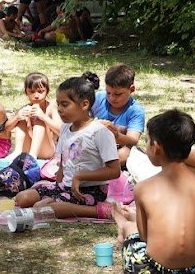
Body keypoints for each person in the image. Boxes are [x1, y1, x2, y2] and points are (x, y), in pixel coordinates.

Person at [113, 110, 195, 274]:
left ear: (156, 147)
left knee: (131, 230)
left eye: (147, 142)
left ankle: (124, 223)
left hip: (156, 271)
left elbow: (145, 237)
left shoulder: (144, 188)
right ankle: (129, 218)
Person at [13, 72, 119, 219]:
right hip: (66, 187)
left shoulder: (99, 132)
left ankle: (99, 210)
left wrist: (80, 177)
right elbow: (63, 161)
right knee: (22, 198)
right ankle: (57, 201)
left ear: (84, 104)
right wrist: (57, 186)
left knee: (42, 209)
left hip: (89, 191)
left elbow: (114, 171)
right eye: (58, 104)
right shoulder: (65, 128)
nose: (60, 109)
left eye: (65, 104)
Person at [93, 64, 146, 164]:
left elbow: (133, 141)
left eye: (117, 94)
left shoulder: (136, 111)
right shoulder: (98, 98)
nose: (112, 98)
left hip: (117, 149)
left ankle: (104, 168)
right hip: (92, 145)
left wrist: (117, 135)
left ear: (131, 89)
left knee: (128, 152)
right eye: (108, 93)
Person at [5, 72, 61, 160]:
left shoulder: (51, 108)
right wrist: (17, 118)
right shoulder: (26, 108)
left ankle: (32, 156)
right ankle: (18, 152)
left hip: (47, 150)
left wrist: (43, 117)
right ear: (26, 92)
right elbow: (7, 129)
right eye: (32, 92)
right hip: (28, 148)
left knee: (40, 121)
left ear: (47, 91)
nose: (36, 96)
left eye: (40, 91)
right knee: (22, 119)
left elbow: (62, 131)